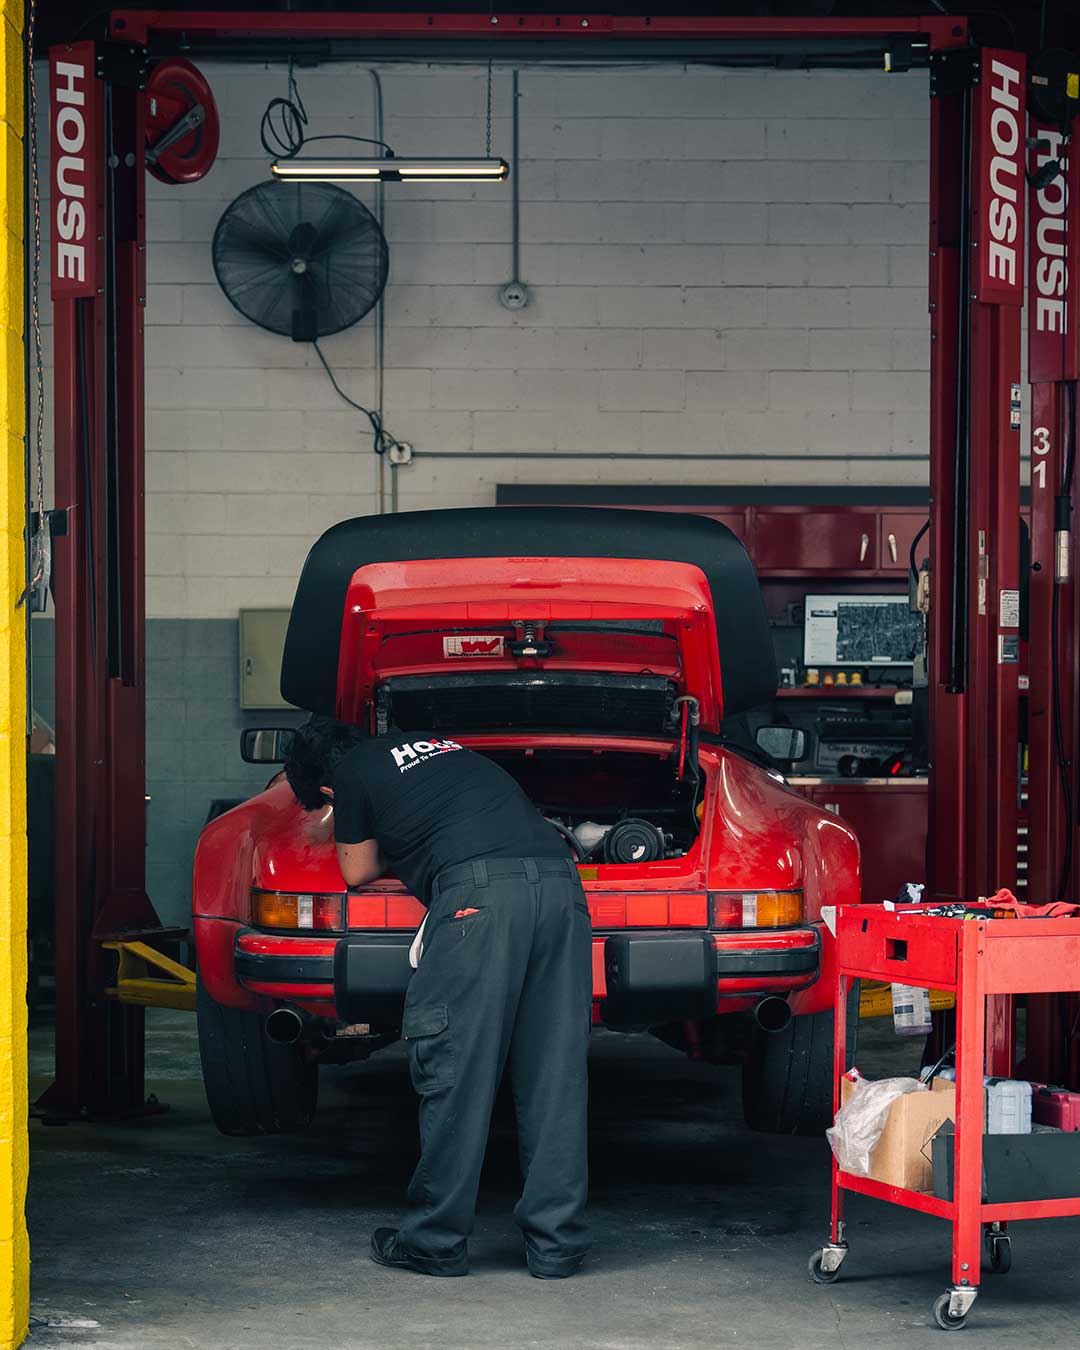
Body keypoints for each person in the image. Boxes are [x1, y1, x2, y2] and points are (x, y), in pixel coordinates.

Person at [285, 717, 593, 1279]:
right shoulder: (447, 748)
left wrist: (367, 830)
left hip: (481, 902)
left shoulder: (350, 775)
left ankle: (434, 1240)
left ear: (323, 788)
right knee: (555, 1072)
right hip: (561, 888)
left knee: (455, 1065)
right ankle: (557, 1245)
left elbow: (357, 870)